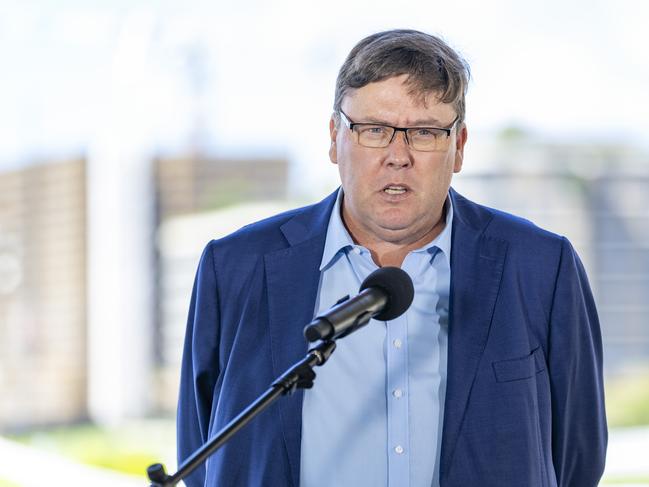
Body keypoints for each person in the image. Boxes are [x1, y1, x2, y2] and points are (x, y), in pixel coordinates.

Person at [176, 29, 607, 487]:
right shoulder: (236, 266)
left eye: (424, 133)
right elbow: (202, 451)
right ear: (333, 138)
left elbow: (577, 459)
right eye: (374, 130)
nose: (397, 157)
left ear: (458, 146)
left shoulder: (541, 266)